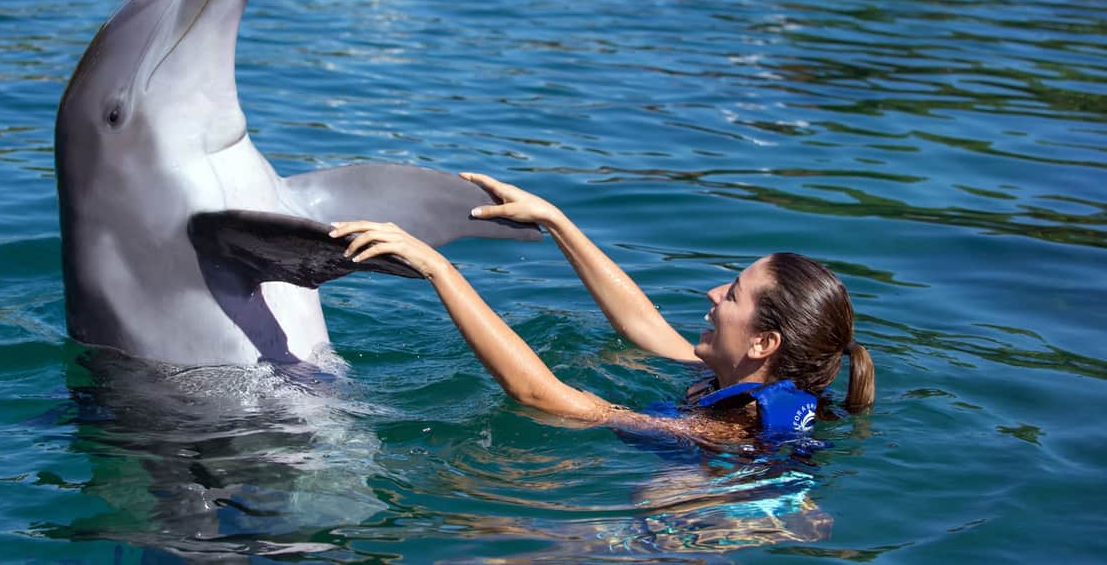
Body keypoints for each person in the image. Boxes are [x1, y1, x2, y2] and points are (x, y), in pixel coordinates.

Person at [329, 173, 874, 446]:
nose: (712, 294)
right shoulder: (744, 377)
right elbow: (642, 325)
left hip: (688, 533)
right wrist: (555, 219)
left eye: (732, 294)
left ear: (763, 344)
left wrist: (439, 270)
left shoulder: (730, 430)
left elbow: (542, 396)